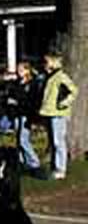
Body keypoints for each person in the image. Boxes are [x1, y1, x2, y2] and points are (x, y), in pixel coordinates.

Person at [39, 52, 79, 180]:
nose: (44, 64)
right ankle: (54, 167)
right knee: (53, 141)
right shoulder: (49, 77)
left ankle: (60, 169)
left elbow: (74, 90)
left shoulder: (61, 76)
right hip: (49, 112)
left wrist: (64, 103)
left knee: (58, 141)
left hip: (58, 114)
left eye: (46, 62)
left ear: (52, 63)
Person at [10, 61, 42, 172]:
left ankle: (34, 161)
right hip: (16, 114)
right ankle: (22, 161)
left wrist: (17, 102)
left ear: (27, 70)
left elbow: (32, 101)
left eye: (21, 70)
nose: (19, 72)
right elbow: (12, 95)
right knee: (18, 140)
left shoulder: (33, 84)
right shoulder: (17, 83)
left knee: (23, 139)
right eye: (18, 69)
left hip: (26, 115)